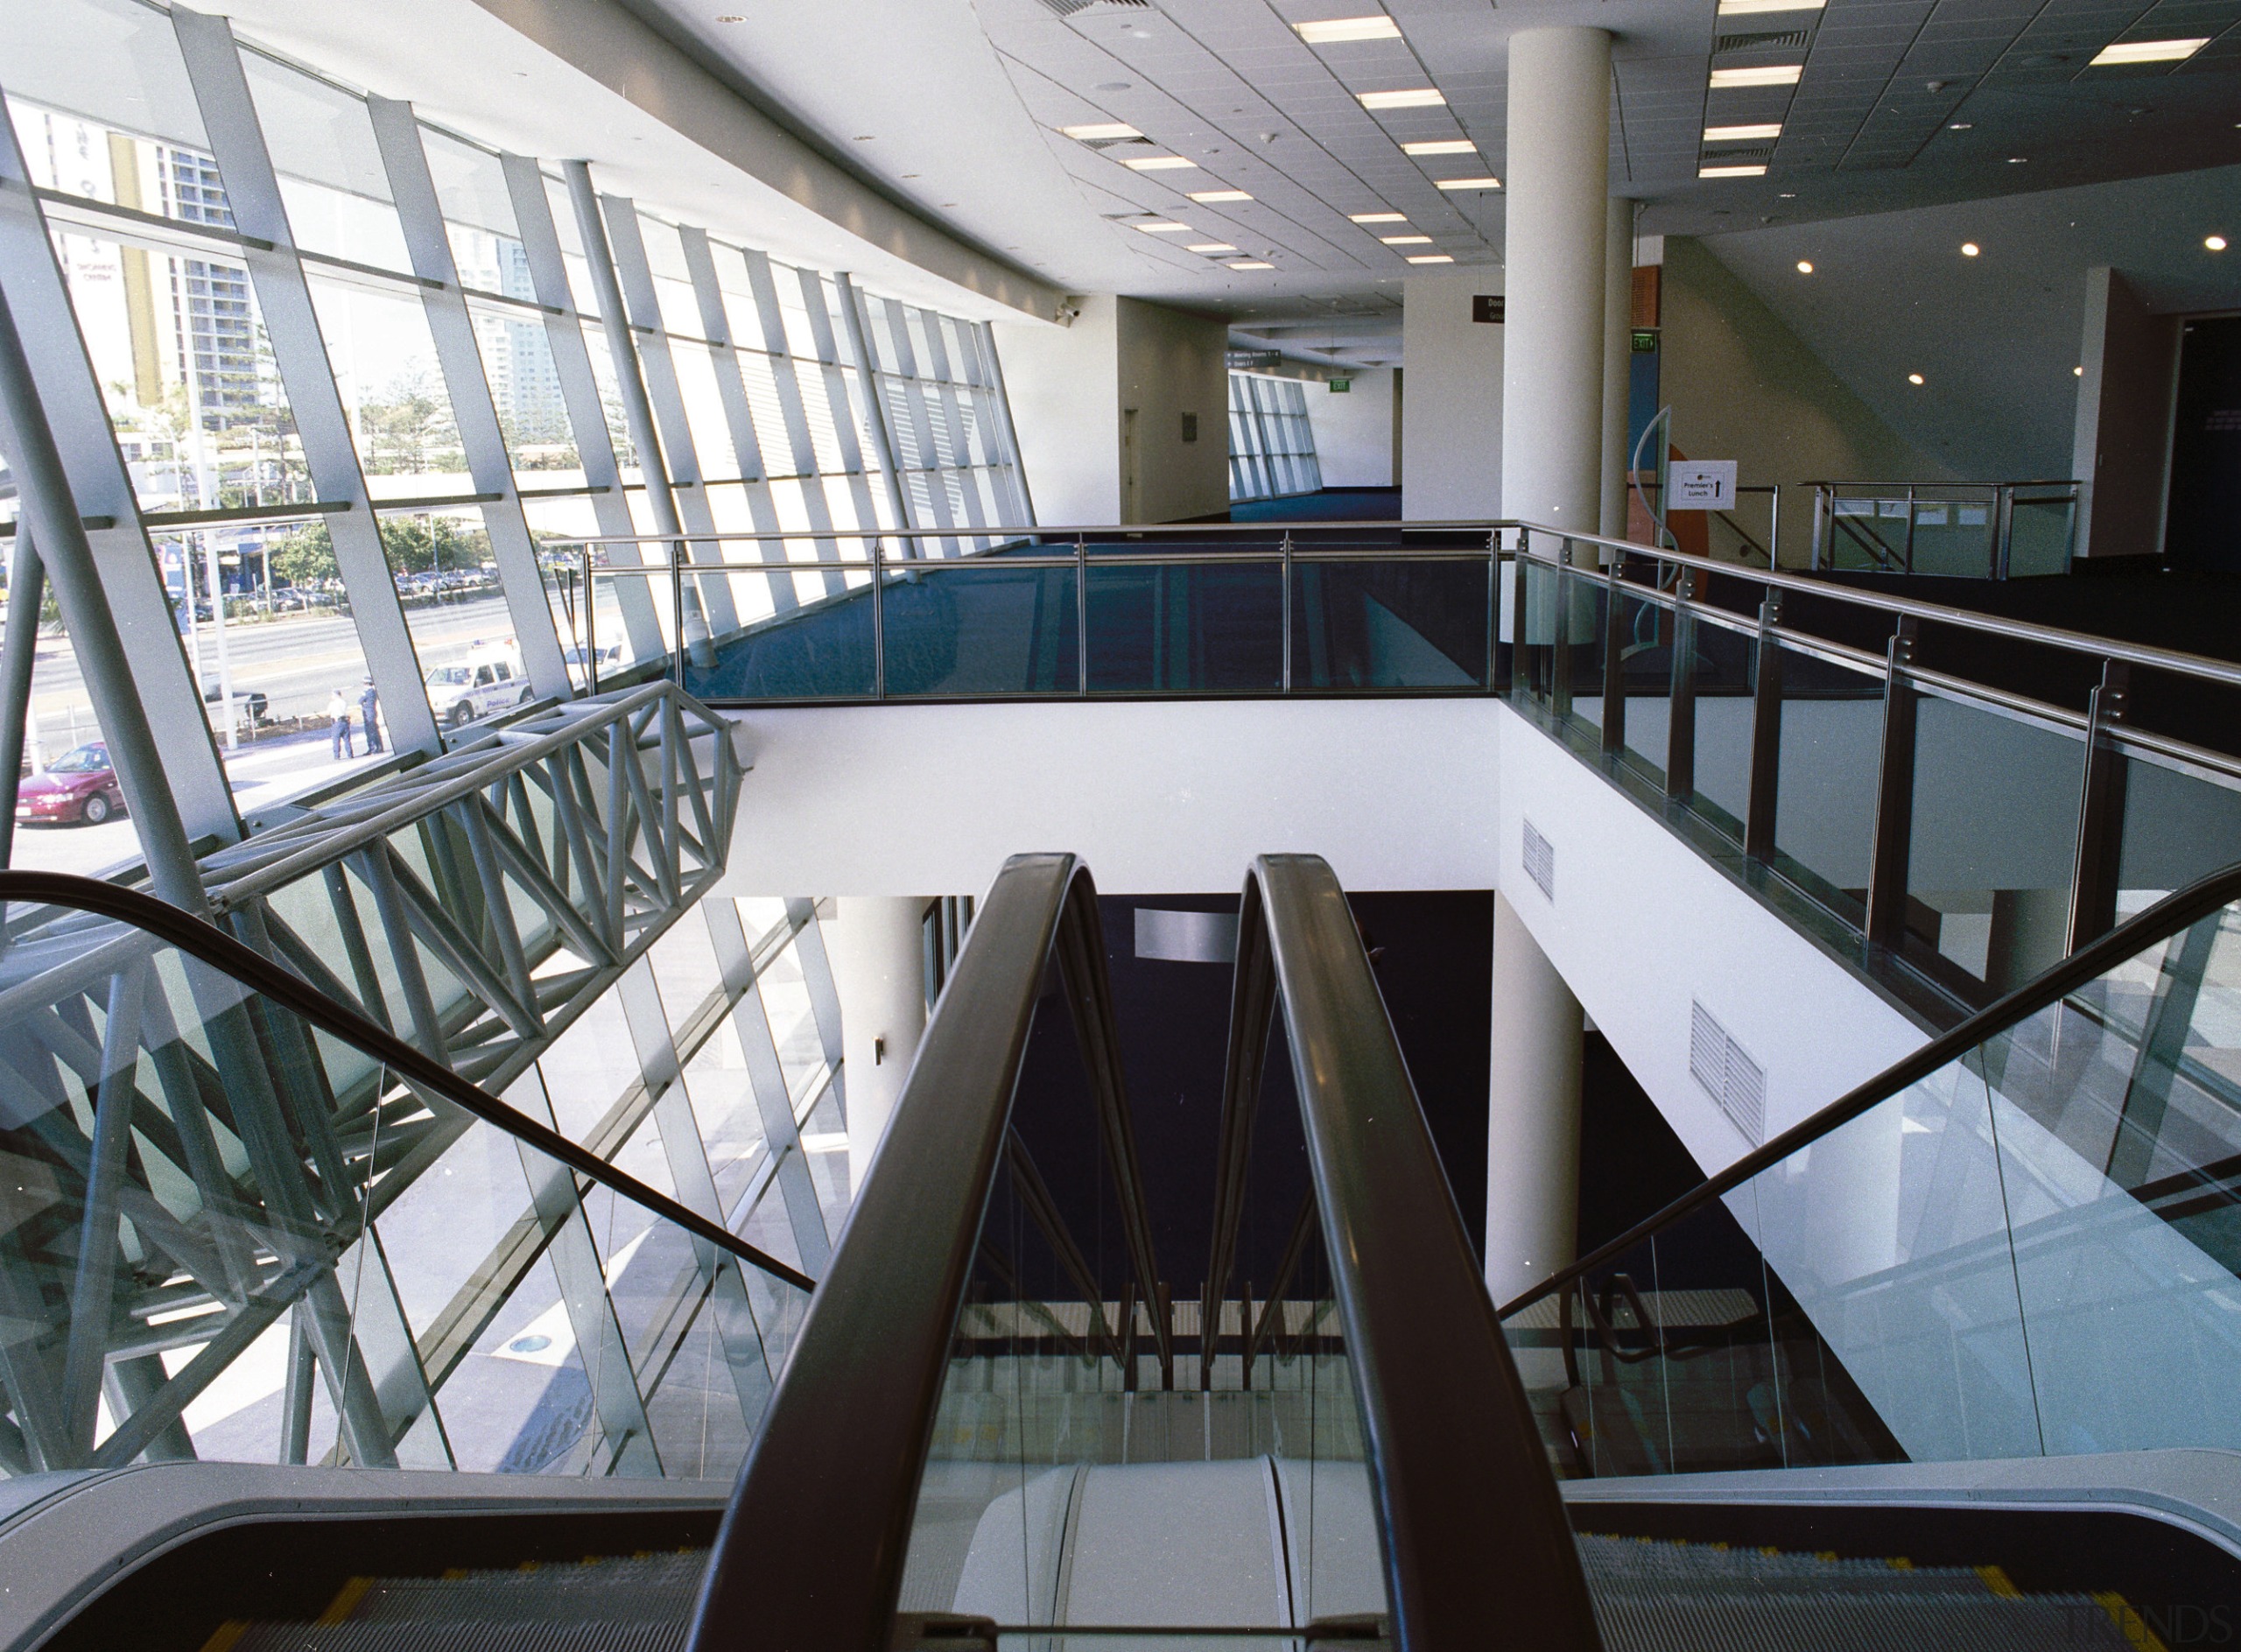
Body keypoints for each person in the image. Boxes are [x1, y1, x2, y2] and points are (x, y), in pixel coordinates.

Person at [327, 687, 353, 760]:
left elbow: (328, 712)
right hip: (345, 722)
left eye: (332, 695)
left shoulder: (333, 703)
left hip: (337, 722)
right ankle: (350, 754)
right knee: (347, 739)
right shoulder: (344, 702)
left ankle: (337, 755)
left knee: (336, 740)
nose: (331, 697)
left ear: (335, 695)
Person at [358, 678, 383, 755]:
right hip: (372, 712)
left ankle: (374, 748)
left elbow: (359, 701)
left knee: (370, 731)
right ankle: (378, 747)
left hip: (369, 713)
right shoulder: (373, 692)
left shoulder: (368, 692)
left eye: (364, 684)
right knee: (374, 730)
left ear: (367, 684)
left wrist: (363, 695)